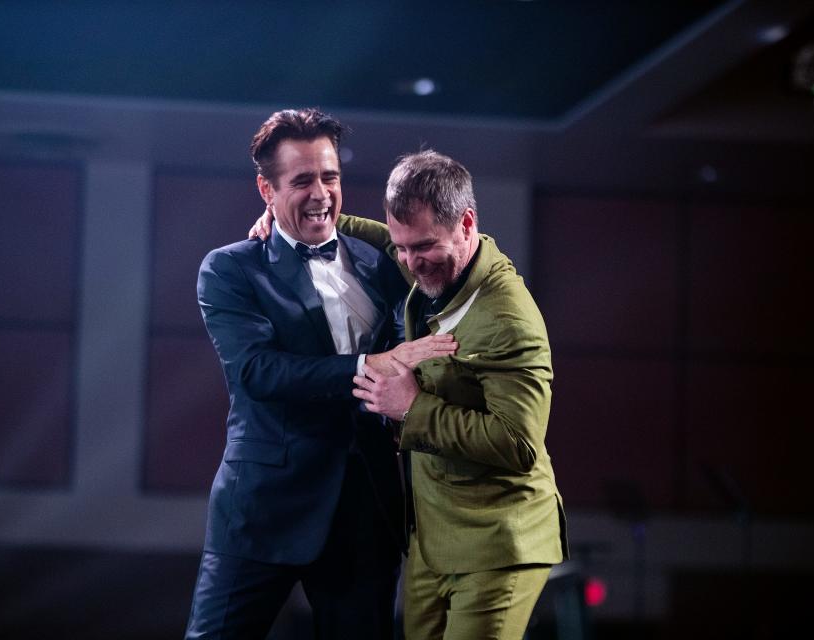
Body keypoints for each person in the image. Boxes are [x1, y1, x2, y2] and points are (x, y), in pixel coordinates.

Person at [249, 149, 568, 640]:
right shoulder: (425, 262)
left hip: (497, 544)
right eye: (401, 249)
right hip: (431, 542)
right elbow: (372, 233)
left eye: (422, 247)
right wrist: (291, 216)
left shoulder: (508, 318)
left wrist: (412, 409)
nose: (410, 263)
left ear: (466, 224)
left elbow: (519, 444)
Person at [187, 109, 458, 640]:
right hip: (264, 507)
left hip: (364, 511)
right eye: (302, 180)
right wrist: (366, 366)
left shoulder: (379, 259)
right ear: (266, 188)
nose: (321, 193)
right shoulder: (230, 268)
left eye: (330, 177)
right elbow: (256, 372)